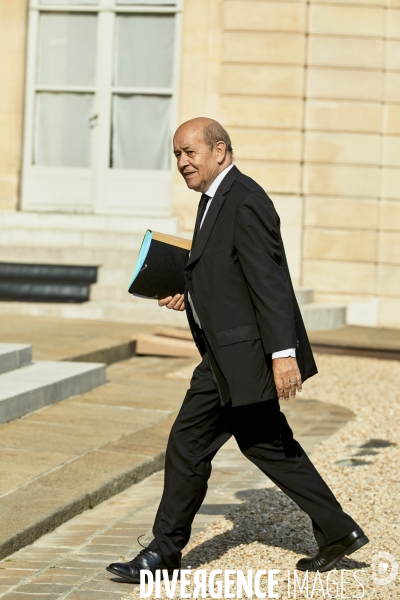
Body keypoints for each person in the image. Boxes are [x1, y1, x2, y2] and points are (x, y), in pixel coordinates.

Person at [107, 118, 368, 582]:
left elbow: (270, 284)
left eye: (190, 153)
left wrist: (283, 354)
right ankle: (337, 530)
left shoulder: (245, 199)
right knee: (266, 444)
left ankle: (164, 554)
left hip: (241, 358)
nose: (183, 163)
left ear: (220, 151)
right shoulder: (213, 201)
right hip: (229, 354)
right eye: (177, 156)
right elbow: (230, 277)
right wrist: (188, 293)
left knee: (188, 444)